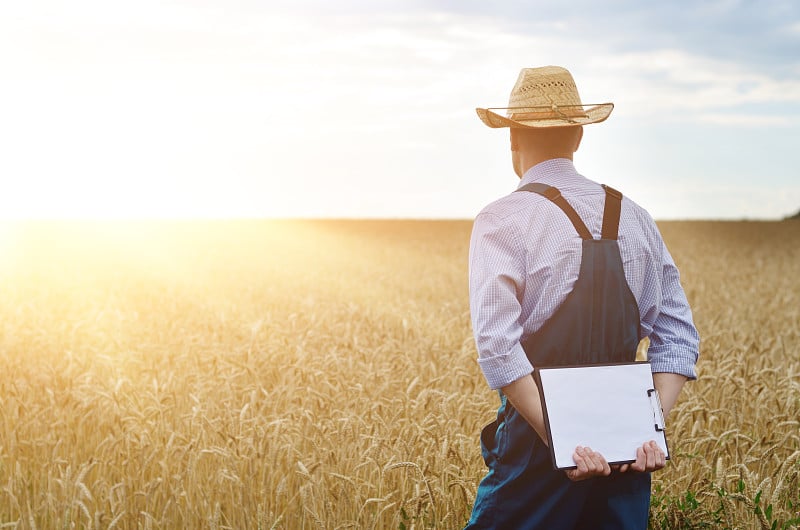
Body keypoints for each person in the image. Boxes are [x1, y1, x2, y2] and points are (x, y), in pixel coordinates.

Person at [465, 66, 700, 529]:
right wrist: (644, 428)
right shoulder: (636, 217)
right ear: (578, 137)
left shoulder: (501, 219)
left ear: (513, 137)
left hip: (535, 453)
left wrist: (561, 439)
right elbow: (679, 339)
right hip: (628, 457)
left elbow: (497, 349)